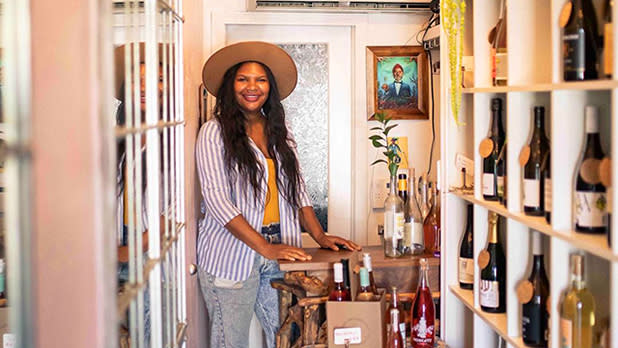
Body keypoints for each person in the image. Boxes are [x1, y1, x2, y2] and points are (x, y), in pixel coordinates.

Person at [196, 41, 361, 348]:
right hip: (229, 259)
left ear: (269, 87)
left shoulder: (281, 132)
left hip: (280, 250)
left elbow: (297, 189)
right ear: (230, 85)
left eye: (260, 80)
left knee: (288, 339)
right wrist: (265, 249)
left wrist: (320, 236)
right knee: (230, 343)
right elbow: (218, 201)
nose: (252, 87)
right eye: (243, 79)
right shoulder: (213, 133)